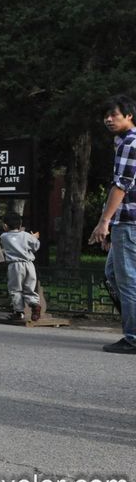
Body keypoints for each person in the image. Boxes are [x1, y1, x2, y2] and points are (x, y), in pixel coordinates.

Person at [89, 95, 136, 353]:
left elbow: (121, 185)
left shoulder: (130, 143)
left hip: (129, 222)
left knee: (127, 280)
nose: (108, 119)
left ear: (129, 115)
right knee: (113, 275)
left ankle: (133, 337)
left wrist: (105, 221)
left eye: (114, 115)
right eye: (105, 116)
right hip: (124, 222)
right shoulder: (122, 142)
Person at [0, 212, 41, 321]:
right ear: (20, 224)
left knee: (15, 289)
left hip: (15, 265)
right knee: (29, 287)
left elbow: (13, 240)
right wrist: (34, 238)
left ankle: (19, 312)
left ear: (5, 226)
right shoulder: (26, 235)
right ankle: (35, 304)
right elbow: (35, 247)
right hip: (29, 264)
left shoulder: (4, 237)